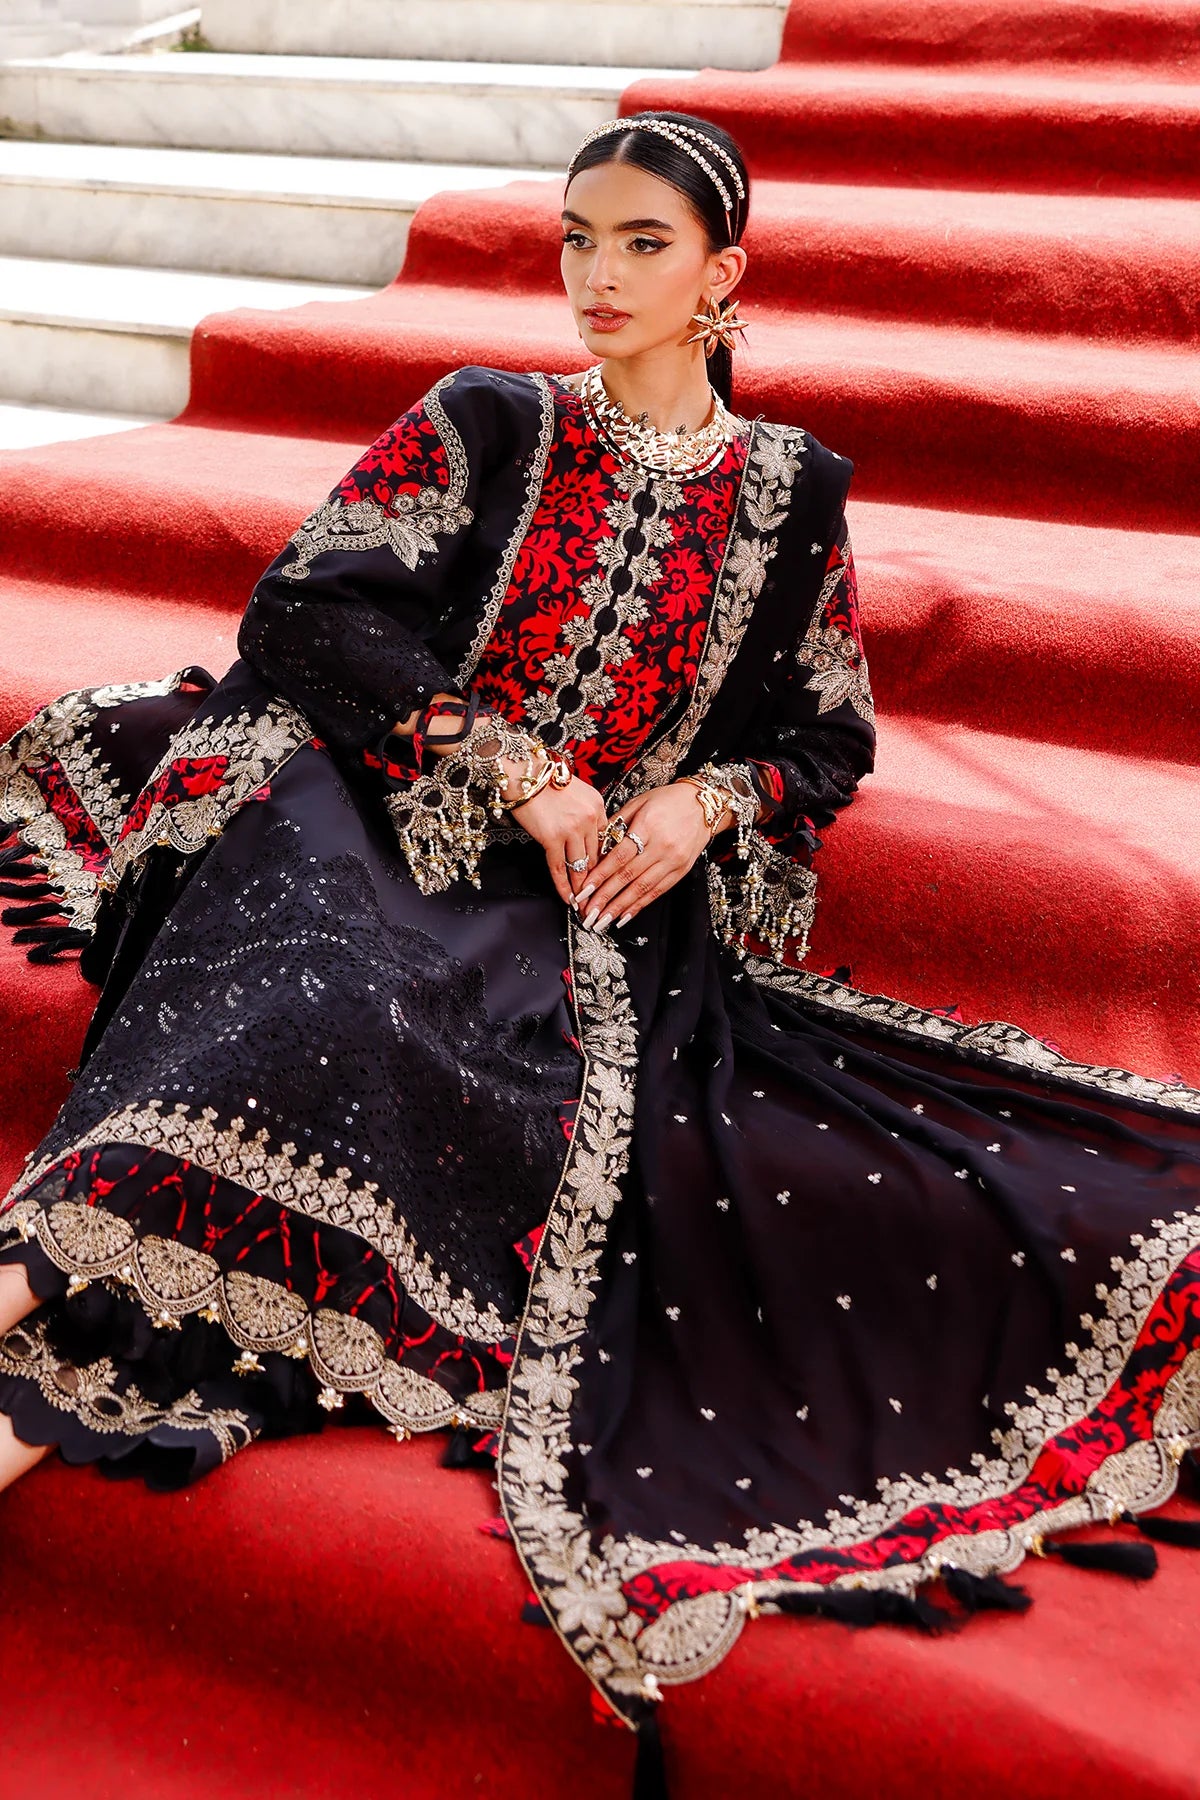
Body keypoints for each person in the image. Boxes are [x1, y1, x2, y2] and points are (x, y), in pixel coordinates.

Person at [2, 109, 1199, 1775]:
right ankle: (39, 1267)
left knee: (433, 1035)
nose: (598, 274)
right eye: (579, 237)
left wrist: (705, 804)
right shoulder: (490, 419)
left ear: (725, 274)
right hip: (362, 808)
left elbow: (826, 737)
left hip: (580, 907)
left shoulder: (789, 498)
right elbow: (307, 611)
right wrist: (518, 767)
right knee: (327, 988)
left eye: (644, 243)